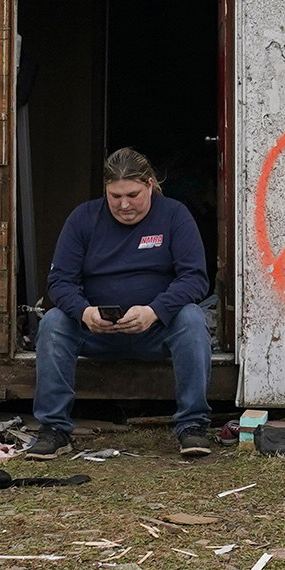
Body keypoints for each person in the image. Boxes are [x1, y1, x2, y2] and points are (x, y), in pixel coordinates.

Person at [26, 147, 215, 458]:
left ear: (150, 185)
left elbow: (195, 279)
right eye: (115, 196)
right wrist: (84, 312)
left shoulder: (174, 216)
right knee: (54, 323)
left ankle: (192, 426)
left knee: (193, 319)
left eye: (133, 195)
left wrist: (155, 311)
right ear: (105, 191)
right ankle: (54, 430)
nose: (125, 205)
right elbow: (60, 281)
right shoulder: (83, 219)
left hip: (155, 331)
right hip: (95, 331)